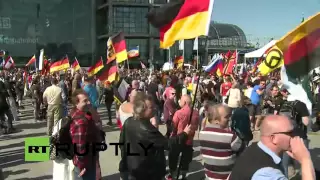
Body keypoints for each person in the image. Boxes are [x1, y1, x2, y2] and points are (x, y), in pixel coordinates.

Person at [118, 92, 193, 180]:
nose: (155, 109)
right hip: (146, 172)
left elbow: (121, 144)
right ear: (142, 109)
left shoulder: (129, 121)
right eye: (151, 107)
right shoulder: (147, 129)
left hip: (133, 169)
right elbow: (168, 144)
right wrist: (184, 134)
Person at [229, 115, 315, 180]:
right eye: (290, 133)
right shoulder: (267, 173)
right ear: (273, 138)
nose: (296, 136)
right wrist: (305, 160)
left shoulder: (254, 148)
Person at [199, 104, 244, 179]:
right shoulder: (230, 136)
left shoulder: (202, 133)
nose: (229, 119)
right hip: (227, 176)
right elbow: (243, 150)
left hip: (209, 176)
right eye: (226, 117)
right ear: (216, 120)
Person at [167, 95, 199, 179]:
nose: (179, 102)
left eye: (180, 100)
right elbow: (196, 127)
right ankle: (184, 176)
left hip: (179, 138)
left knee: (173, 157)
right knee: (185, 160)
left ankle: (172, 174)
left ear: (184, 102)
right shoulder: (196, 112)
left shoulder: (179, 112)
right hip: (189, 140)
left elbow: (174, 127)